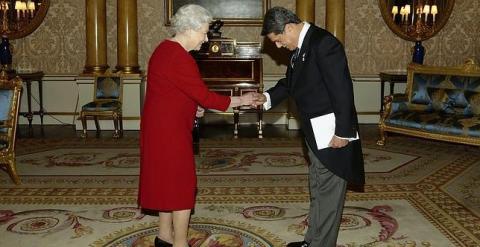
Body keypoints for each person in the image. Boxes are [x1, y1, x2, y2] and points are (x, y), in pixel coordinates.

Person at [138, 4, 260, 247]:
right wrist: (242, 100)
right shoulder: (179, 57)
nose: (206, 39)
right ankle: (180, 243)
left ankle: (164, 236)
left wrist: (192, 106)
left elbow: (170, 91)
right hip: (170, 131)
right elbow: (206, 97)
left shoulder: (164, 49)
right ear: (189, 29)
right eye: (203, 32)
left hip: (159, 127)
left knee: (166, 182)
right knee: (182, 185)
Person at [255, 7, 365, 247]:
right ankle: (312, 240)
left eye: (278, 39)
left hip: (332, 134)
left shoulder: (324, 44)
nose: (278, 46)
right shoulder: (302, 46)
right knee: (318, 186)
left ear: (289, 28)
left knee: (328, 192)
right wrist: (267, 97)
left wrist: (343, 133)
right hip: (315, 132)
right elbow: (290, 82)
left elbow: (342, 90)